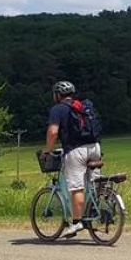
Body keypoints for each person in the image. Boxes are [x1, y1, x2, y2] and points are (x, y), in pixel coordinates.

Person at [43, 80, 102, 239]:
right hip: (95, 147)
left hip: (76, 150)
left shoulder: (58, 109)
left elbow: (53, 132)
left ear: (57, 95)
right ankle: (96, 210)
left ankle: (77, 222)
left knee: (76, 188)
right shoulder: (83, 106)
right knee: (95, 182)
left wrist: (47, 151)